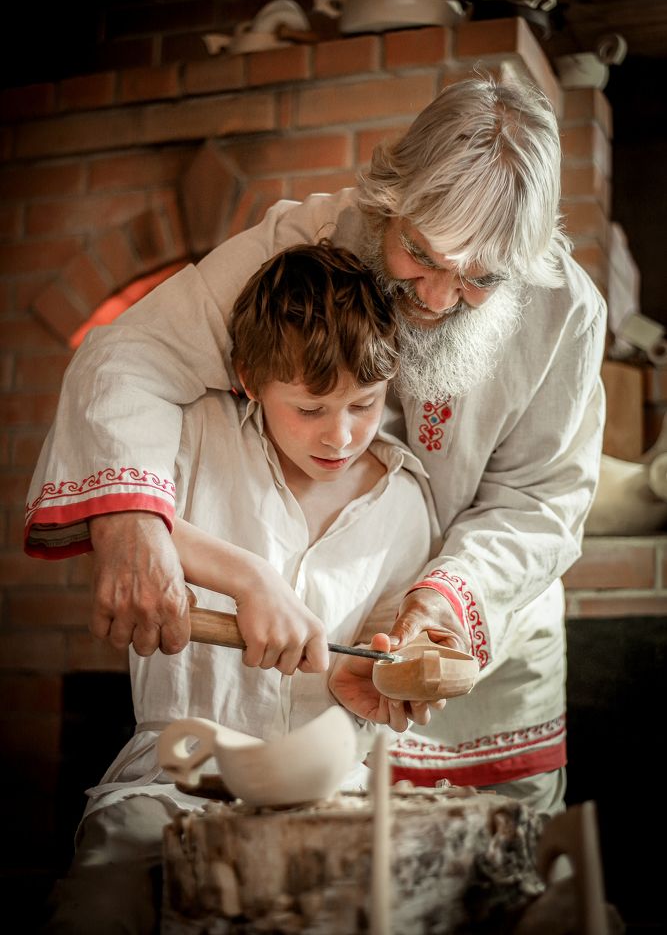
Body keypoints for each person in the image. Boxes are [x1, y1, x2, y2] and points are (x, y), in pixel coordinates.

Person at [26, 74, 607, 817]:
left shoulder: (566, 314)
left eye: (479, 279)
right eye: (420, 253)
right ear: (389, 201)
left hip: (472, 644)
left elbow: (539, 500)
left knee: (479, 861)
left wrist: (438, 606)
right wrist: (134, 524)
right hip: (292, 684)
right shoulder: (312, 243)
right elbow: (130, 357)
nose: (436, 297)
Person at [40, 242, 441, 934]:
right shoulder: (194, 433)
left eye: (364, 404)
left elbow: (382, 648)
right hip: (173, 780)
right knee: (102, 904)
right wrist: (249, 578)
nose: (340, 436)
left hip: (329, 793)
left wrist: (385, 676)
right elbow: (123, 515)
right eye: (310, 409)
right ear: (251, 380)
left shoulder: (404, 502)